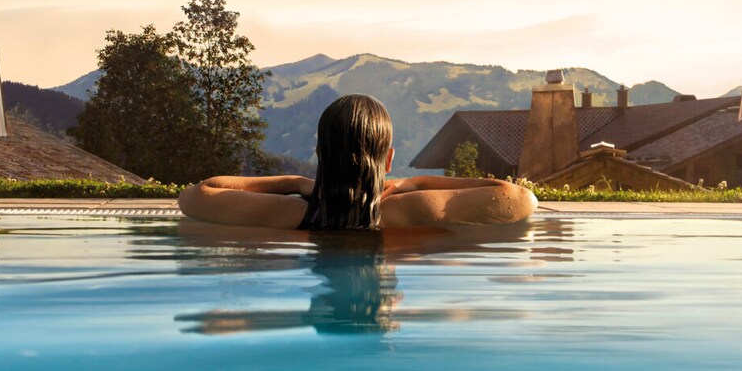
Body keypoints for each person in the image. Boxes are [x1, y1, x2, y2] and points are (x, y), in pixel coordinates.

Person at [177, 93, 537, 230]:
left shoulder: (289, 215)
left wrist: (295, 183)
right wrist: (415, 183)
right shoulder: (411, 209)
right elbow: (519, 198)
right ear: (389, 159)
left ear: (319, 156)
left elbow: (198, 194)